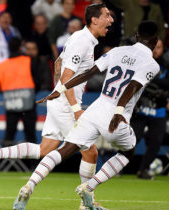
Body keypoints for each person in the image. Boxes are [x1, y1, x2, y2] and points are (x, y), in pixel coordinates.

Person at [0, 3, 113, 209]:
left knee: (45, 149)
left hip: (59, 101)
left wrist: (57, 92)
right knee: (90, 151)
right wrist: (74, 108)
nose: (111, 20)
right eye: (107, 16)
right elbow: (65, 76)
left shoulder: (80, 38)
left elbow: (57, 63)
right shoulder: (82, 41)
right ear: (94, 19)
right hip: (66, 104)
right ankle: (85, 203)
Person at [34, 20, 159, 209]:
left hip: (95, 109)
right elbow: (133, 85)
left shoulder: (116, 51)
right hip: (116, 116)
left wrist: (61, 87)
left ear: (136, 37)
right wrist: (118, 111)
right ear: (156, 41)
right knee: (128, 152)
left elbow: (89, 72)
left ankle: (30, 185)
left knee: (65, 149)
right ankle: (88, 187)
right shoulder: (152, 64)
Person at [130, 39, 169, 179]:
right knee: (132, 139)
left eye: (159, 47)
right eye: (154, 47)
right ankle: (118, 166)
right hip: (141, 109)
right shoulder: (141, 62)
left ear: (163, 49)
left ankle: (143, 169)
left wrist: (149, 82)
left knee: (156, 141)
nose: (156, 50)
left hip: (159, 110)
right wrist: (157, 86)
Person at [0, 38, 43, 146]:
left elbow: (0, 87)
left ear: (8, 48)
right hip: (28, 105)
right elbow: (38, 82)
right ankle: (32, 163)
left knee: (9, 137)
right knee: (30, 138)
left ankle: (7, 162)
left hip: (11, 105)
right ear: (20, 47)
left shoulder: (2, 65)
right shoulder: (29, 60)